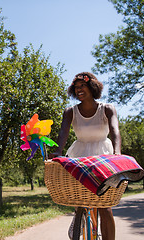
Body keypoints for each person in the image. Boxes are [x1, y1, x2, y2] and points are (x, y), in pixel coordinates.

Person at [49, 72, 121, 240]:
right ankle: (80, 216)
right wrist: (58, 151)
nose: (79, 89)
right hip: (80, 156)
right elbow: (63, 134)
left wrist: (117, 152)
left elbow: (114, 131)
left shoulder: (107, 109)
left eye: (83, 86)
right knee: (80, 198)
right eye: (76, 87)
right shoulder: (70, 112)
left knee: (105, 206)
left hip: (103, 156)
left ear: (92, 87)